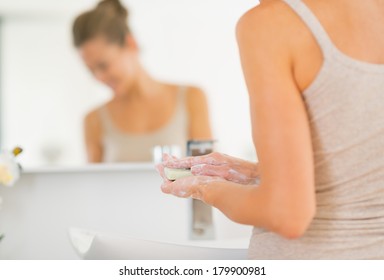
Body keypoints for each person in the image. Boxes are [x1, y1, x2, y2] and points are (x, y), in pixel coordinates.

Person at [158, 0, 384, 259]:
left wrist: (204, 188)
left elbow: (286, 213)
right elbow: (364, 171)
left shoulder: (270, 24)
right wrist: (260, 173)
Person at [72, 0, 212, 163]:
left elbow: (208, 173)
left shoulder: (191, 98)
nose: (99, 77)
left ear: (131, 43)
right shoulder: (93, 120)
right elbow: (94, 185)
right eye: (91, 70)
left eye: (103, 65)